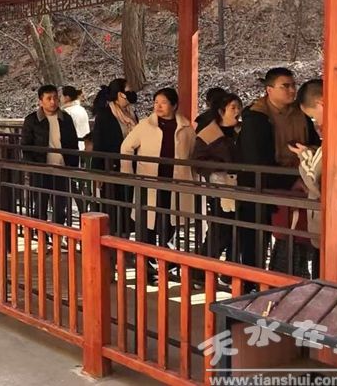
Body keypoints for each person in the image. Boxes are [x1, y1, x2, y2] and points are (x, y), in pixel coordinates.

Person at [237, 67, 320, 272]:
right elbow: (255, 159)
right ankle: (250, 282)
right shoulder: (256, 117)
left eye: (293, 85)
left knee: (292, 237)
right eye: (285, 86)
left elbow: (314, 143)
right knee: (256, 239)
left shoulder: (301, 114)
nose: (292, 90)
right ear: (269, 89)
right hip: (260, 185)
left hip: (296, 181)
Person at [120, 88, 196, 283]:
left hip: (175, 185)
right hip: (149, 183)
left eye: (163, 102)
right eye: (156, 102)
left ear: (174, 105)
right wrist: (129, 174)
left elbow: (191, 155)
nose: (158, 106)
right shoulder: (145, 125)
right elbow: (126, 147)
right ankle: (147, 270)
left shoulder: (186, 128)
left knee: (169, 225)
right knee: (147, 227)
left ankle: (164, 263)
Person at [191, 92, 243, 271]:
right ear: (221, 111)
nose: (237, 111)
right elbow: (198, 161)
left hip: (242, 187)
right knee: (219, 231)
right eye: (233, 108)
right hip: (221, 188)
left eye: (239, 107)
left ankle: (230, 272)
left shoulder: (242, 131)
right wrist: (218, 168)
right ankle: (200, 271)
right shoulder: (208, 134)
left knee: (238, 232)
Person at [20, 85, 79, 224]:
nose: (53, 102)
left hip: (61, 168)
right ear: (41, 101)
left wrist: (73, 164)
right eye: (49, 98)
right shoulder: (32, 120)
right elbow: (26, 145)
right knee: (40, 204)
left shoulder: (65, 118)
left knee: (60, 206)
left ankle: (58, 231)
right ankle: (40, 232)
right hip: (41, 169)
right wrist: (33, 166)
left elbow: (73, 142)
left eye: (55, 98)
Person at [285, 79, 323, 279]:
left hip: (328, 225)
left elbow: (314, 180)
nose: (316, 124)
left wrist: (304, 156)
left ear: (321, 104)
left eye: (314, 117)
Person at [91, 78, 139, 236]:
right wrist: (97, 172)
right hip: (112, 167)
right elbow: (99, 143)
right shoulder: (105, 115)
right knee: (115, 207)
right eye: (128, 91)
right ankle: (114, 238)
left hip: (131, 167)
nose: (131, 93)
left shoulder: (132, 113)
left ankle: (125, 237)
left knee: (129, 206)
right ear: (120, 94)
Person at [61, 86, 89, 151]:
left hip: (73, 148)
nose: (60, 98)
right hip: (84, 146)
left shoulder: (66, 112)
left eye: (61, 96)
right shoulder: (82, 109)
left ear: (67, 98)